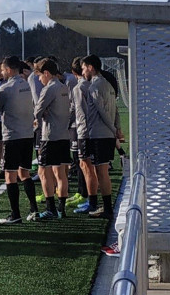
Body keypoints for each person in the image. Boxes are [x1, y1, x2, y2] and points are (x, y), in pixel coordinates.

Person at [0, 56, 38, 223]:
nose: (2, 72)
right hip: (27, 134)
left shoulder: (5, 89)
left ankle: (15, 214)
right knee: (25, 173)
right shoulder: (27, 85)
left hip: (12, 136)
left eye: (3, 69)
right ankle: (34, 209)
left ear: (10, 70)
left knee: (10, 175)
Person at [82, 54, 124, 221]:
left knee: (101, 171)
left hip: (100, 134)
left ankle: (107, 208)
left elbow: (102, 111)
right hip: (105, 133)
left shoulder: (96, 86)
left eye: (84, 67)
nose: (83, 71)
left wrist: (114, 130)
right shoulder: (107, 85)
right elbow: (115, 111)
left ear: (91, 67)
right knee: (102, 170)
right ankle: (106, 206)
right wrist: (117, 128)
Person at [33, 58, 72, 221]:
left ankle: (50, 208)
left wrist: (39, 115)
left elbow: (38, 110)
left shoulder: (49, 89)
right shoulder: (64, 87)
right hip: (64, 134)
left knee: (43, 172)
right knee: (61, 172)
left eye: (40, 76)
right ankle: (61, 209)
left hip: (50, 136)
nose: (40, 80)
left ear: (46, 73)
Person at [70, 58, 97, 214]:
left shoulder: (79, 88)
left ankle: (91, 201)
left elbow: (81, 112)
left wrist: (82, 131)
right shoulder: (91, 85)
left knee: (86, 166)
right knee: (87, 166)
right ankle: (90, 199)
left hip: (84, 132)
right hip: (90, 130)